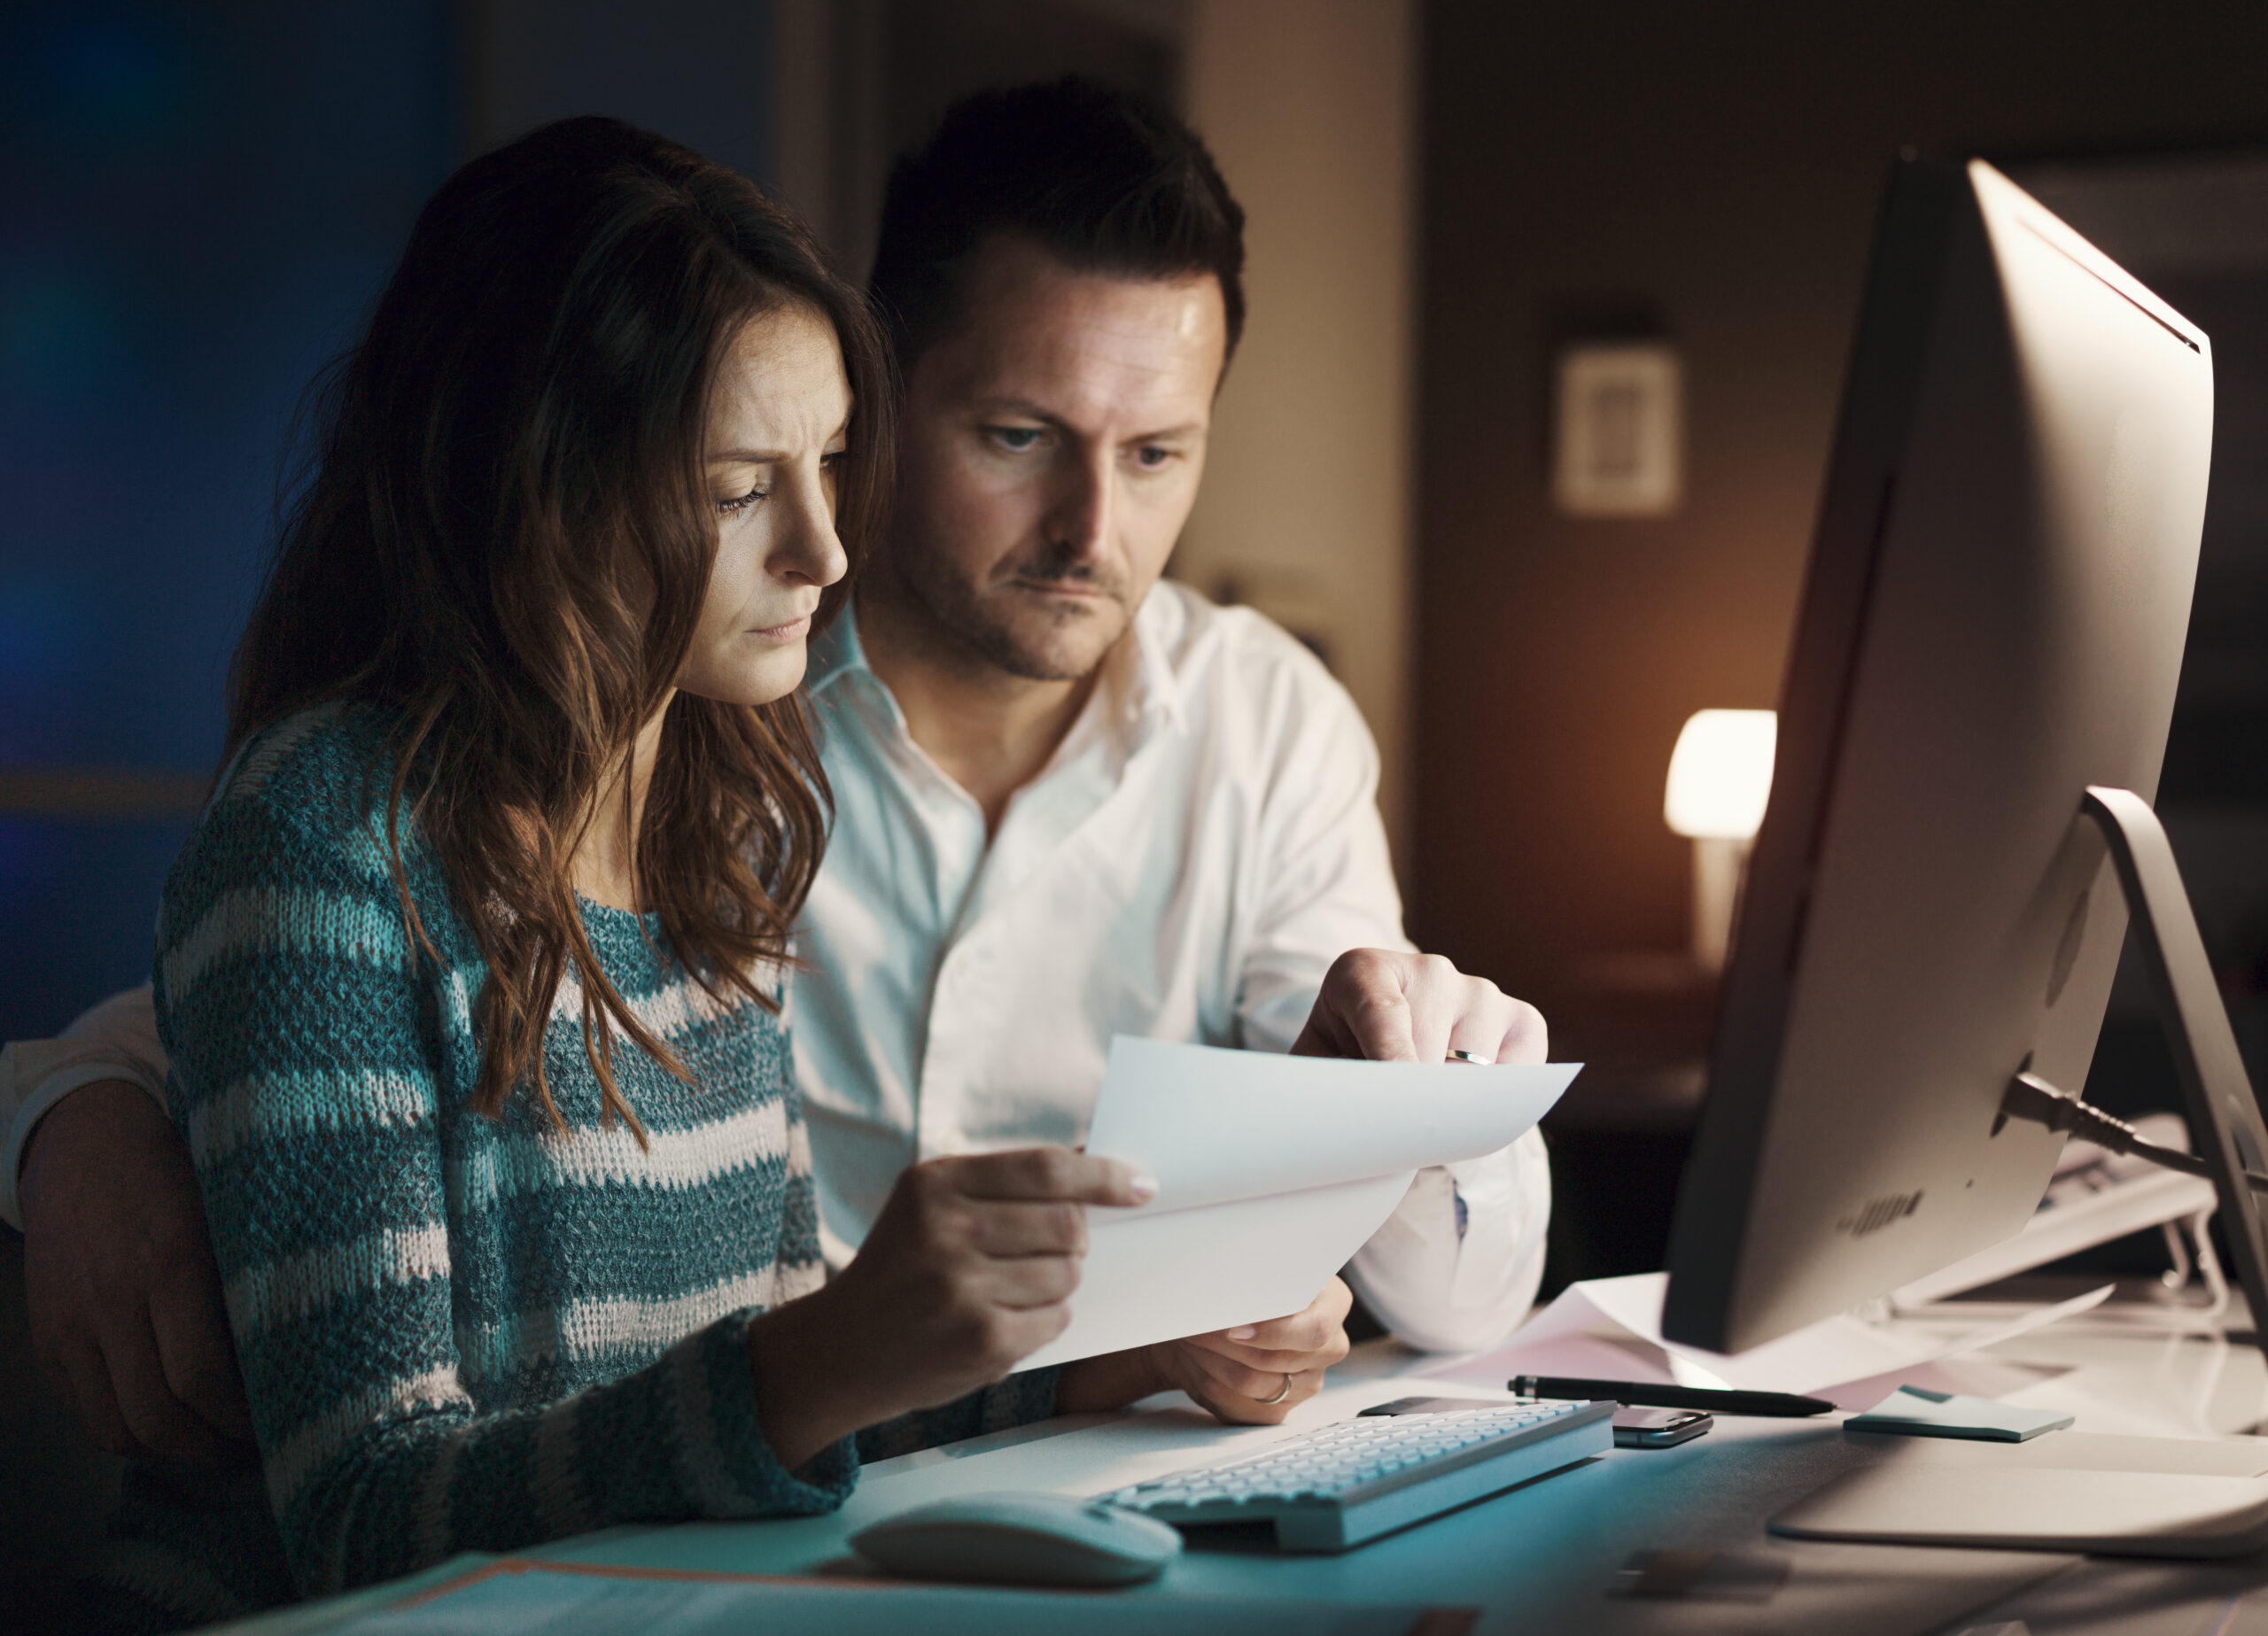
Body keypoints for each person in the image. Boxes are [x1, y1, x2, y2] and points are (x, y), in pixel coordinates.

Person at [5, 78, 1551, 1475]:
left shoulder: (753, 793)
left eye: (1158, 453)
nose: (1095, 528)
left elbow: (1462, 1286)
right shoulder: (669, 709)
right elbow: (290, 990)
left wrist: (1357, 1146)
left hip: (866, 1507)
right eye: (1018, 434)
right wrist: (69, 1118)